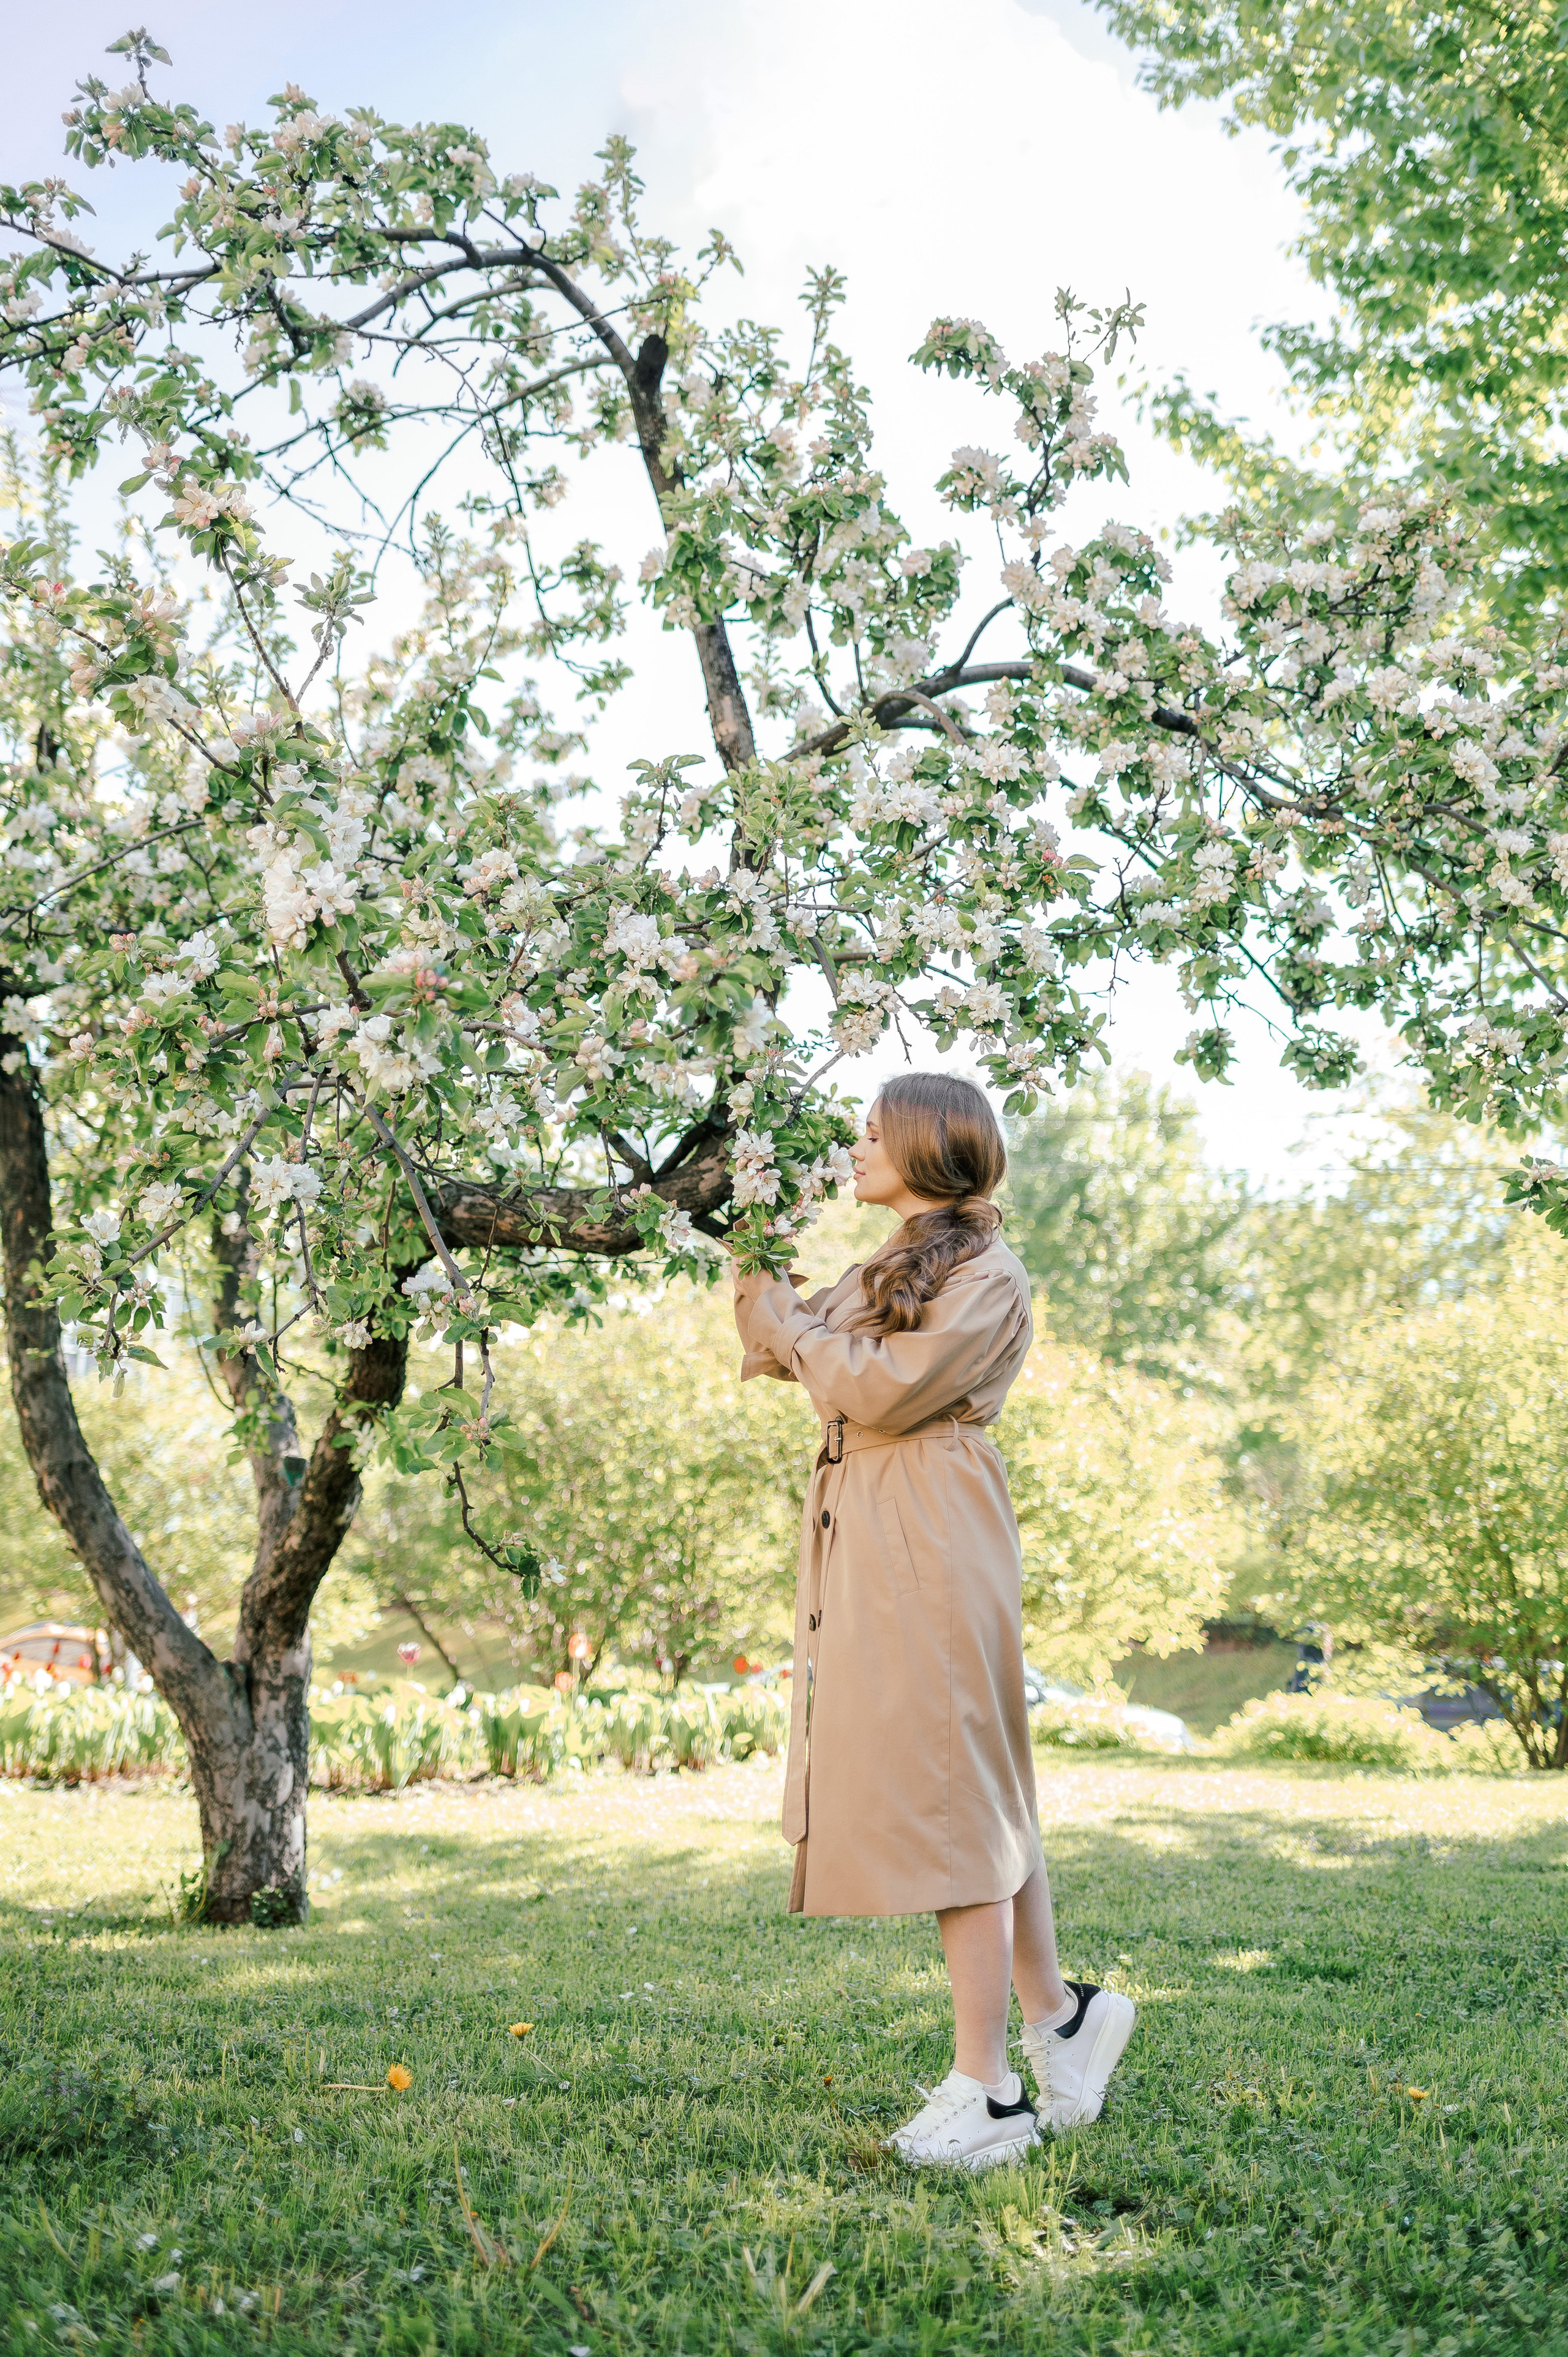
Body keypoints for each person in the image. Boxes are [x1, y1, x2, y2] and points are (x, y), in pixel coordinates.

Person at [732, 1072, 1135, 2168]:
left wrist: (803, 1336)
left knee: (954, 1791)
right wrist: (755, 1251)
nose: (856, 1148)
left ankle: (987, 2091)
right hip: (883, 1515)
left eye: (873, 1133)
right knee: (976, 1779)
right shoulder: (894, 1261)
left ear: (928, 1147)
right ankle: (1059, 2015)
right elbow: (782, 1351)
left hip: (931, 1518)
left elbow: (877, 1388)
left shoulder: (988, 1274)